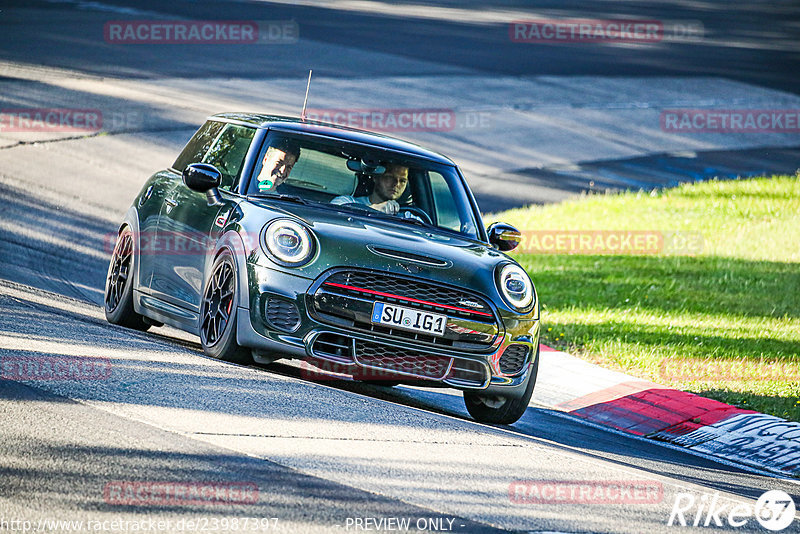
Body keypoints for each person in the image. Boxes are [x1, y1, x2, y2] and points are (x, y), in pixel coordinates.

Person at [331, 163, 409, 215]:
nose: (396, 184)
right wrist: (373, 209)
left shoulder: (407, 216)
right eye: (390, 178)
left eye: (402, 181)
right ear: (375, 177)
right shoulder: (346, 201)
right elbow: (332, 214)